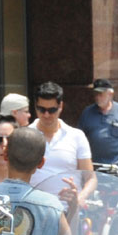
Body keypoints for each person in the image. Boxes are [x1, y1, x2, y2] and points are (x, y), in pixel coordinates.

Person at [29, 81, 96, 211]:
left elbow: (91, 178)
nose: (46, 115)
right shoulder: (25, 135)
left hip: (68, 211)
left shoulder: (76, 136)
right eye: (41, 109)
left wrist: (80, 198)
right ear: (35, 106)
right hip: (35, 212)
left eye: (52, 110)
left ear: (61, 106)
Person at [79, 79, 118, 171]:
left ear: (110, 94)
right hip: (95, 166)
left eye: (101, 94)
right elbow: (79, 139)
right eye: (96, 94)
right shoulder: (87, 113)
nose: (98, 97)